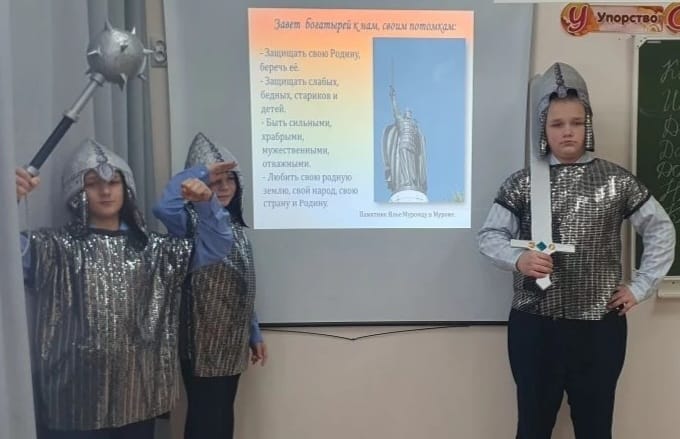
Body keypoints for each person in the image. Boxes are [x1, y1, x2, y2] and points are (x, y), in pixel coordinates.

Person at [478, 62, 675, 438]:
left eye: (576, 122)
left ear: (588, 124)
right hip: (535, 324)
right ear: (543, 128)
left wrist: (640, 286)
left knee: (595, 426)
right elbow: (489, 236)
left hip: (598, 326)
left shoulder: (616, 181)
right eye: (557, 124)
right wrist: (518, 259)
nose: (567, 131)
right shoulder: (521, 183)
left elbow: (660, 229)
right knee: (533, 426)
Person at [15, 138, 235, 439]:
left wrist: (207, 203)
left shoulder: (156, 251)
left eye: (113, 182)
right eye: (92, 183)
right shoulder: (52, 248)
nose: (105, 191)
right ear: (76, 191)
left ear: (126, 188)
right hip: (71, 400)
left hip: (137, 398)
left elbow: (216, 246)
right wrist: (9, 201)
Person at [155, 132, 266, 439]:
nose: (225, 187)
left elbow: (242, 284)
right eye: (216, 182)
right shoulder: (187, 223)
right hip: (201, 342)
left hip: (232, 342)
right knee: (205, 418)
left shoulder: (235, 228)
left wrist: (253, 331)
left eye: (230, 180)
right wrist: (200, 176)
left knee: (222, 416)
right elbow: (163, 207)